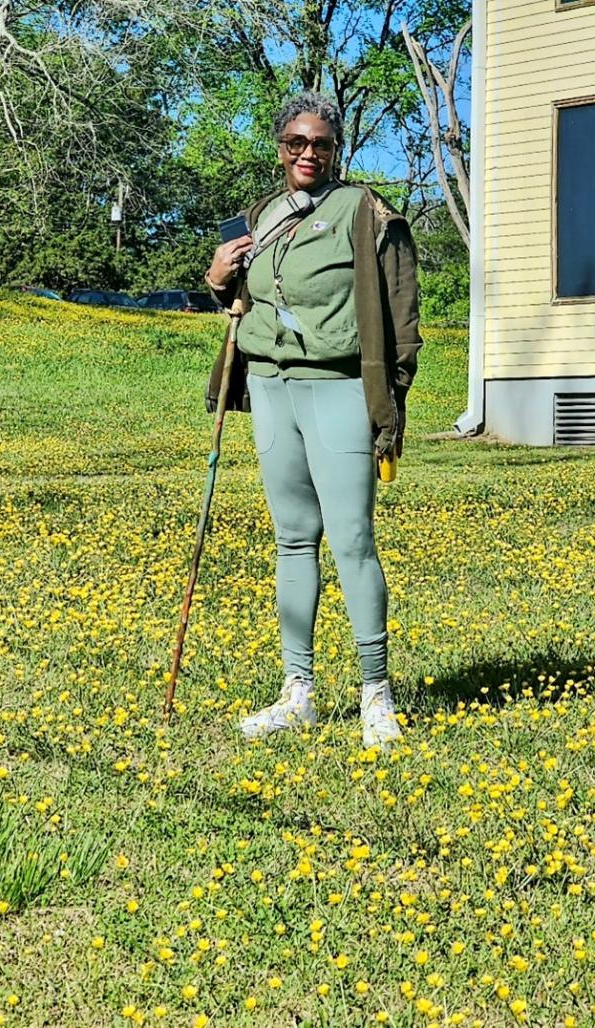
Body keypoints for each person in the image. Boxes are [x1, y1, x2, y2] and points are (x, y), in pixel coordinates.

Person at [204, 91, 422, 749]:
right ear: (279, 148)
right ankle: (295, 692)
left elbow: (402, 320)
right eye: (295, 143)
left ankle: (375, 695)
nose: (307, 153)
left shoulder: (366, 213)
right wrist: (217, 278)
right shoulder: (257, 216)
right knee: (292, 539)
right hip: (271, 390)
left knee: (351, 539)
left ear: (336, 149)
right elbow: (238, 296)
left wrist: (389, 404)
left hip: (339, 392)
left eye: (320, 144)